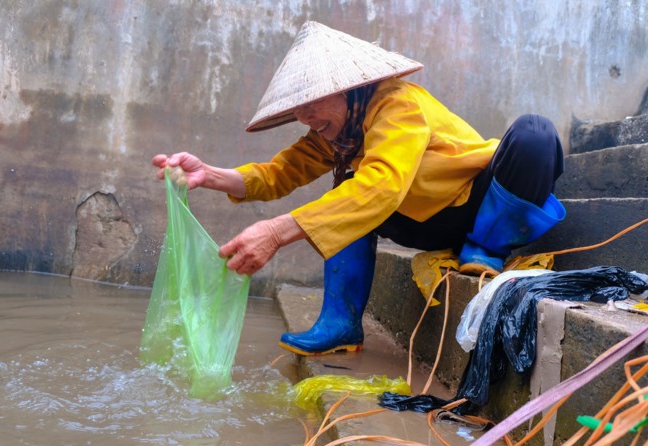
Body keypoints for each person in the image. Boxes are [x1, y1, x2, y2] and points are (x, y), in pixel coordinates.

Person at [152, 21, 566, 357]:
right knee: (350, 185)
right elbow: (279, 173)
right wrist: (210, 175)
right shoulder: (338, 132)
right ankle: (339, 323)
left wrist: (277, 232)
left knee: (534, 132)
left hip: (479, 203)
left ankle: (486, 250)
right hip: (429, 222)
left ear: (350, 89)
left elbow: (383, 184)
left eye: (312, 100)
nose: (303, 114)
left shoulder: (396, 103)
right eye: (298, 105)